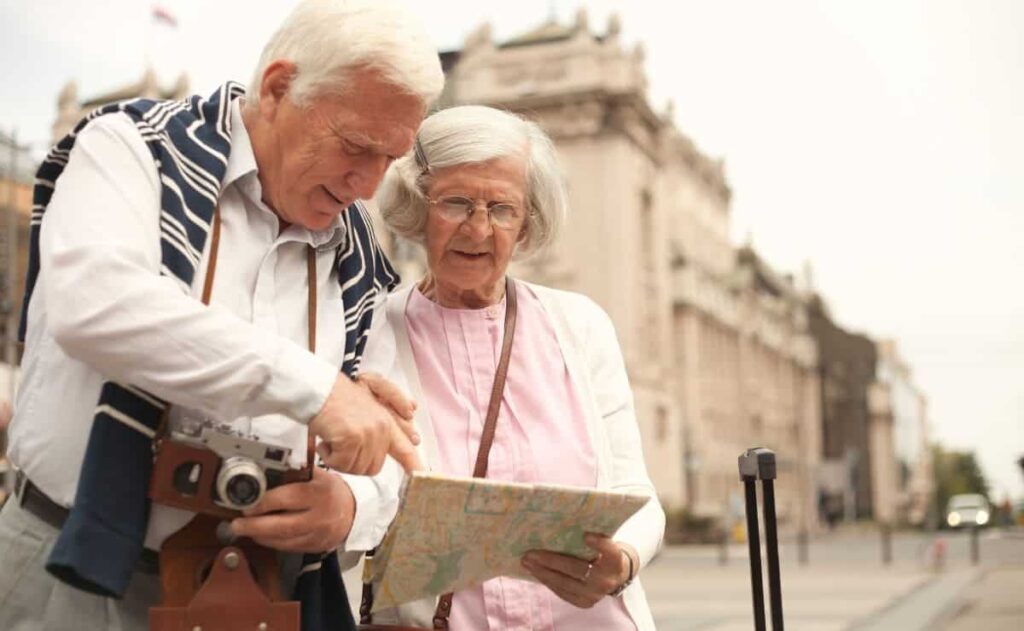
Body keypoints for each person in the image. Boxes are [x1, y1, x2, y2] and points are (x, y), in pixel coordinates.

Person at [0, 1, 442, 629]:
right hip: (68, 568)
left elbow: (394, 438)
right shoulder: (129, 148)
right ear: (278, 86)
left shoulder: (362, 253)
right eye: (355, 146)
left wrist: (350, 502)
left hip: (257, 593)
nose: (368, 185)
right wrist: (319, 391)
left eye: (388, 159)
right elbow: (95, 304)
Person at [359, 105, 665, 630]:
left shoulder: (580, 326)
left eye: (502, 209)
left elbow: (638, 497)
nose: (478, 230)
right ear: (417, 207)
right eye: (456, 203)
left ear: (527, 223)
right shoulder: (371, 334)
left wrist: (624, 561)